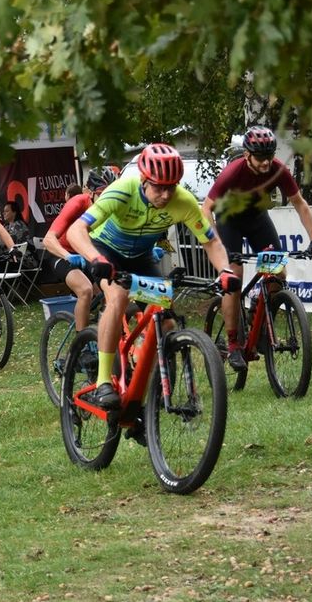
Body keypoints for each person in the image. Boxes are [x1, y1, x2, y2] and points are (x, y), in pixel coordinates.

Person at [67, 143, 238, 409]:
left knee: (166, 322)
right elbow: (76, 231)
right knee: (118, 296)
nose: (166, 194)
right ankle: (103, 382)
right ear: (145, 180)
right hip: (105, 251)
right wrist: (95, 259)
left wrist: (225, 270)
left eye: (172, 187)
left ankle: (147, 391)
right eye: (159, 187)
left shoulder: (183, 201)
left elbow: (211, 242)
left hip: (142, 257)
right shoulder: (122, 190)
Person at [202, 126, 312, 368]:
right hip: (230, 220)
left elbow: (300, 204)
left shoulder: (278, 168)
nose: (266, 162)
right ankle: (233, 343)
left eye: (270, 156)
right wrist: (217, 245)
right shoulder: (233, 172)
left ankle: (259, 312)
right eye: (260, 157)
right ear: (247, 155)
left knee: (278, 274)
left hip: (257, 219)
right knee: (233, 277)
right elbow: (206, 209)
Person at [41, 171, 111, 331]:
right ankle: (82, 344)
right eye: (101, 194)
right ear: (91, 194)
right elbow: (48, 239)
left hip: (87, 253)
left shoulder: (112, 207)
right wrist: (68, 255)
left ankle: (103, 331)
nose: (107, 199)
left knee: (110, 291)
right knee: (85, 290)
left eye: (110, 194)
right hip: (62, 254)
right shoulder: (77, 203)